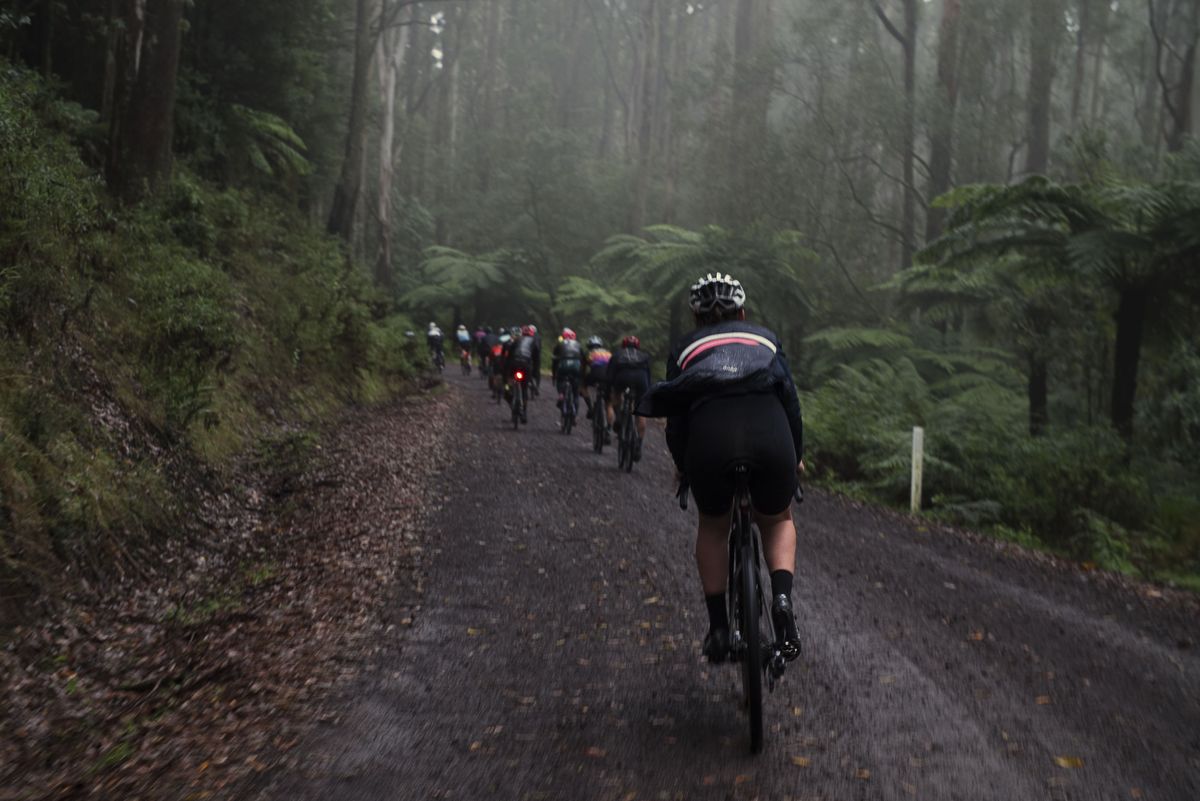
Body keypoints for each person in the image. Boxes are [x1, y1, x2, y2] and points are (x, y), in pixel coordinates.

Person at [637, 273, 804, 664]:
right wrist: (795, 454)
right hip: (770, 433)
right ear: (743, 312)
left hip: (710, 441)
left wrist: (683, 466)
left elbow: (677, 417)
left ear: (696, 318)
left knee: (713, 525)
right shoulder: (766, 338)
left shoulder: (684, 348)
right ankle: (781, 597)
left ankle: (717, 630)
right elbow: (790, 402)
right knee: (778, 519)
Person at [606, 335, 652, 461]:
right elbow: (648, 377)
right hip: (641, 380)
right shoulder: (644, 356)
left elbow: (610, 376)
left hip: (622, 378)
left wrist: (609, 391)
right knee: (640, 412)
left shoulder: (617, 354)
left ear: (623, 345)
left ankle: (619, 419)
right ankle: (638, 444)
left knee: (616, 397)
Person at [504, 326, 538, 423]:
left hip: (514, 364)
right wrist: (535, 372)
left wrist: (507, 371)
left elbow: (509, 355)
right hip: (526, 366)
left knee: (509, 384)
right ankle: (524, 414)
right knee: (524, 389)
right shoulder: (533, 342)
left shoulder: (516, 341)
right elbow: (536, 359)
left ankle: (510, 392)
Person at [551, 328, 585, 420]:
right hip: (576, 367)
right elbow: (583, 359)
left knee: (560, 379)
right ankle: (574, 416)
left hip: (563, 366)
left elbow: (554, 361)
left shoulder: (560, 344)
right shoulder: (578, 344)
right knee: (575, 393)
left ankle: (561, 395)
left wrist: (554, 376)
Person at [581, 335, 612, 434]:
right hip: (608, 376)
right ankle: (609, 428)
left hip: (595, 374)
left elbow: (583, 369)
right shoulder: (608, 353)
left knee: (582, 387)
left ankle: (590, 408)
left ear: (589, 346)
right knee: (608, 404)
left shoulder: (589, 353)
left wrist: (583, 380)